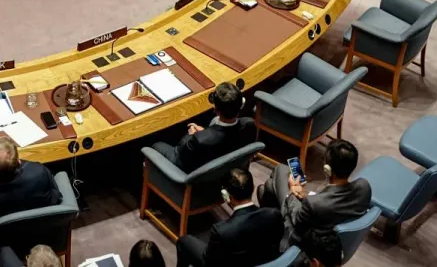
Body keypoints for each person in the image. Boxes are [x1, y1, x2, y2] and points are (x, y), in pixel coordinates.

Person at [259, 138, 371, 266]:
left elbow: (296, 219)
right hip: (328, 235)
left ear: (327, 169)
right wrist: (304, 196)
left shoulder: (314, 203)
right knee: (268, 187)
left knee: (280, 170)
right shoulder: (364, 187)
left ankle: (266, 231)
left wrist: (292, 191)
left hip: (302, 241)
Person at [175, 165, 283, 267]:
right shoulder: (274, 214)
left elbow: (209, 262)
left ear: (226, 196)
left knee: (184, 241)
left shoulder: (221, 231)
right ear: (253, 188)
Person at [154, 83, 253, 174]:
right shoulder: (249, 125)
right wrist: (205, 132)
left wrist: (191, 135)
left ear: (216, 110)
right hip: (222, 167)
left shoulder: (199, 140)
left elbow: (181, 154)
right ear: (240, 106)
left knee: (154, 144)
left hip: (190, 171)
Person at [0, 137, 61, 230]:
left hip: (4, 237)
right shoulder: (39, 173)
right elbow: (55, 194)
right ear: (18, 161)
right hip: (44, 231)